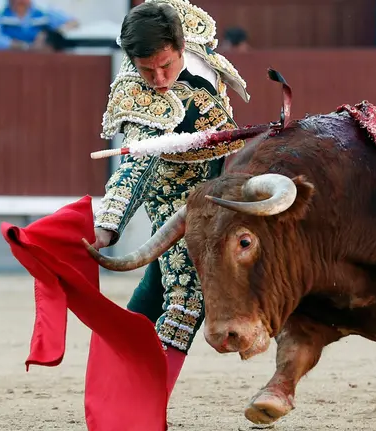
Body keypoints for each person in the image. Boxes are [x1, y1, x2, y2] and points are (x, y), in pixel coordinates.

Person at [90, 0, 250, 394]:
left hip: (217, 180)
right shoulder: (141, 96)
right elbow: (135, 167)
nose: (159, 79)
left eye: (166, 65)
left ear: (181, 47)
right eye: (147, 70)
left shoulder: (188, 32)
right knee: (184, 291)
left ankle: (113, 377)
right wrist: (107, 226)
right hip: (174, 190)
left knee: (162, 283)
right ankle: (136, 397)